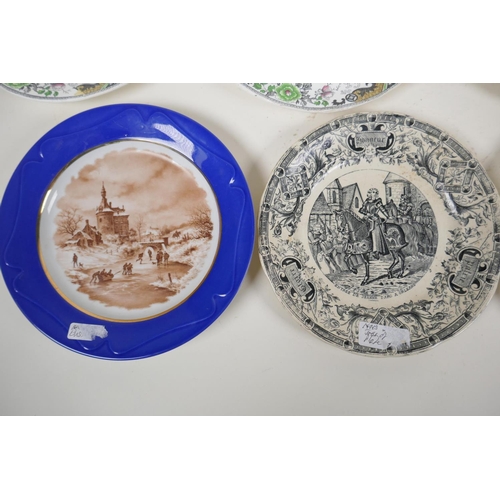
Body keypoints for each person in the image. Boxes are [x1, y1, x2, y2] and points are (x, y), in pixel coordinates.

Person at [359, 188, 389, 258]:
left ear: (376, 194)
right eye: (370, 192)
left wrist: (388, 216)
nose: (371, 194)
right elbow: (361, 210)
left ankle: (376, 251)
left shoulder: (378, 202)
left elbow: (383, 210)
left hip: (375, 219)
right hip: (367, 218)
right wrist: (367, 214)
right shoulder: (366, 201)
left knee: (375, 232)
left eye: (374, 192)